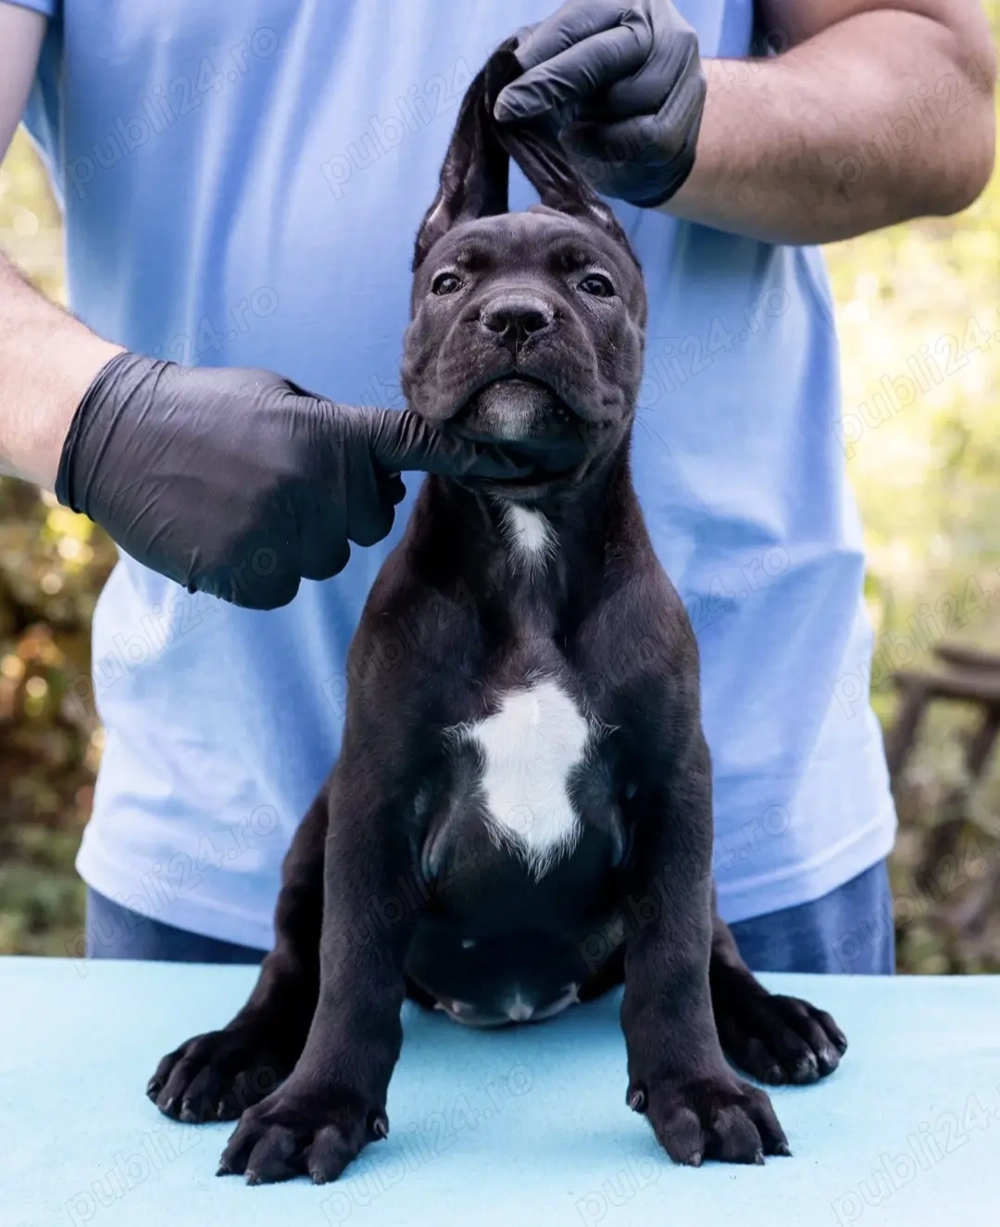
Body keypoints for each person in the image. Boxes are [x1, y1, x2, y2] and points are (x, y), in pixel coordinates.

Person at [0, 0, 994, 974]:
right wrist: (91, 413)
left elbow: (950, 90)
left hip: (733, 872)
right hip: (225, 856)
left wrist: (709, 118)